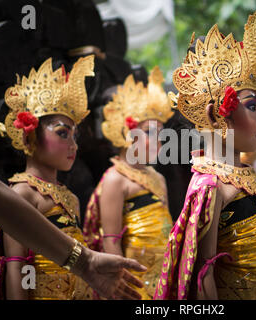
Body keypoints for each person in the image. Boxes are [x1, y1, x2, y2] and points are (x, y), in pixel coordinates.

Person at [0, 55, 143, 300]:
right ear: (29, 138)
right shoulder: (23, 193)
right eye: (62, 133)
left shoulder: (71, 198)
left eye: (75, 136)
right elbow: (18, 268)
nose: (73, 145)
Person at [154, 8, 256, 300]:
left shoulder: (246, 176)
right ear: (216, 115)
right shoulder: (210, 188)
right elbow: (202, 278)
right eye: (253, 107)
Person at [83, 67, 174, 299]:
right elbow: (111, 240)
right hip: (133, 280)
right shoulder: (115, 179)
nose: (159, 142)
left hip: (164, 272)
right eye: (150, 133)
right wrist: (121, 285)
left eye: (161, 136)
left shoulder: (159, 178)